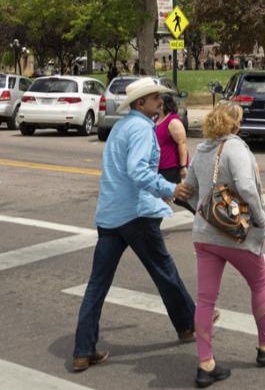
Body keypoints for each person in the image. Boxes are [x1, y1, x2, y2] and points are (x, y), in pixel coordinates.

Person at [71, 78, 197, 372]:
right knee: (164, 271)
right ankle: (189, 323)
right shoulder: (141, 129)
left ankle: (82, 350)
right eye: (154, 98)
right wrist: (169, 189)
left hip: (110, 215)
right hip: (136, 214)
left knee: (97, 286)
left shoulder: (121, 128)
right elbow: (138, 171)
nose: (159, 102)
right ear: (140, 103)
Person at [185, 102, 265, 387]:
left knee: (206, 299)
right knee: (259, 285)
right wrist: (259, 219)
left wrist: (205, 213)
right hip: (237, 236)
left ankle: (205, 364)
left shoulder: (200, 150)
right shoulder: (235, 148)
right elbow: (246, 187)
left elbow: (189, 191)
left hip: (204, 235)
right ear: (234, 124)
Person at [156, 94, 195, 214]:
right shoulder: (156, 119)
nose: (157, 103)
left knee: (165, 196)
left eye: (159, 102)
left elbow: (182, 143)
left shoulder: (173, 121)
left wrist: (183, 166)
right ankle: (200, 213)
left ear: (164, 105)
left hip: (170, 167)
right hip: (159, 166)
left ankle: (153, 227)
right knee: (176, 197)